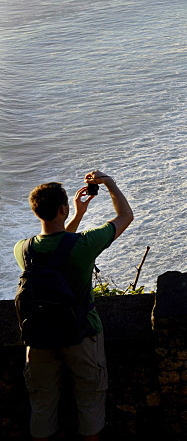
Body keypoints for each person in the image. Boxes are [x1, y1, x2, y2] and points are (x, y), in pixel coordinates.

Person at [13, 171, 134, 441]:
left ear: (36, 212)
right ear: (62, 209)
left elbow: (55, 249)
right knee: (90, 401)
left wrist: (74, 216)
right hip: (82, 333)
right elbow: (125, 216)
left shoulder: (22, 249)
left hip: (39, 336)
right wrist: (110, 183)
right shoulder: (84, 244)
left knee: (42, 404)